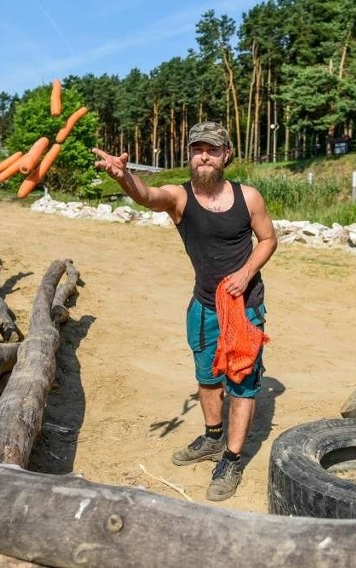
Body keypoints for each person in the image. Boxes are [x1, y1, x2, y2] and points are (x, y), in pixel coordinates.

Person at [92, 122, 277, 501]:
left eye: (212, 149)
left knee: (241, 385)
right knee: (207, 378)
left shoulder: (249, 197)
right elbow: (147, 196)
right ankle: (212, 438)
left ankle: (232, 458)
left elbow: (268, 239)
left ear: (226, 154)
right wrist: (125, 177)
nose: (203, 156)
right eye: (197, 149)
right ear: (190, 155)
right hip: (204, 306)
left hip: (244, 309)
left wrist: (246, 273)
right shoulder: (180, 198)